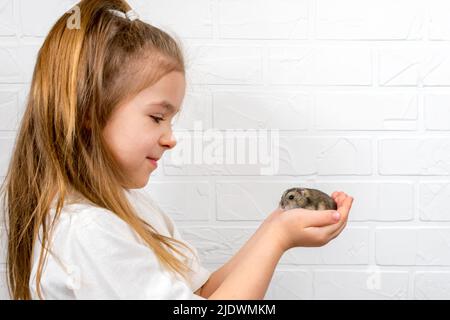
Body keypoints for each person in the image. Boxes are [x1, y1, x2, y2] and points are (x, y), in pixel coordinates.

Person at [0, 0, 353, 300]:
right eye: (157, 117)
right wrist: (278, 239)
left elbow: (203, 293)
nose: (170, 138)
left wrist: (275, 227)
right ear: (90, 112)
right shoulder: (89, 233)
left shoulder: (132, 207)